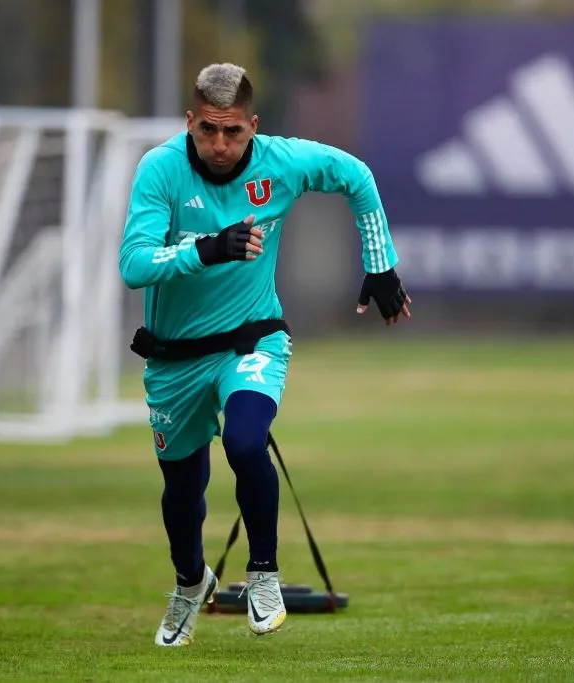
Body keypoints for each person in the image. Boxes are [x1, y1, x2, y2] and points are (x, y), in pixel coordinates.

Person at [118, 62, 410, 647]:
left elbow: (357, 176)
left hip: (252, 340)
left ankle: (263, 574)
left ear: (253, 126)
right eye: (207, 131)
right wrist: (208, 249)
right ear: (190, 124)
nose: (220, 145)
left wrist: (380, 265)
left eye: (233, 132)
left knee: (246, 440)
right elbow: (133, 265)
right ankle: (188, 583)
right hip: (174, 357)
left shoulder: (284, 162)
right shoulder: (160, 170)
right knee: (181, 490)